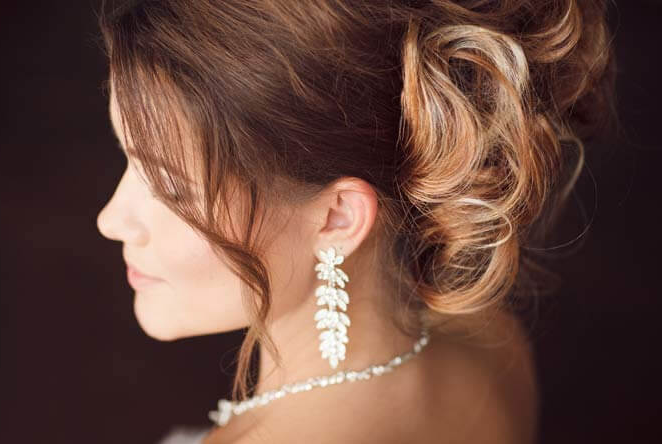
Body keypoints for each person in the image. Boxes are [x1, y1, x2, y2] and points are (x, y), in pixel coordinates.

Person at [95, 0, 616, 442]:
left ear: (338, 217)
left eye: (169, 185)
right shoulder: (490, 345)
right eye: (127, 158)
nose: (111, 220)